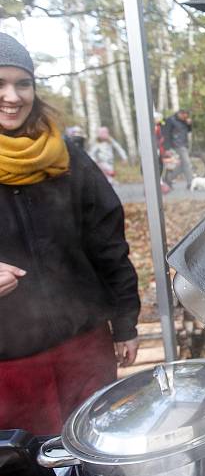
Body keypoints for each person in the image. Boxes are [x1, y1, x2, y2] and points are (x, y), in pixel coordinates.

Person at [0, 33, 140, 435]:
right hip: (10, 363)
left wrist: (126, 322)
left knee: (96, 448)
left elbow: (107, 243)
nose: (13, 96)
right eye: (0, 83)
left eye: (22, 83)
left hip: (83, 345)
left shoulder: (67, 158)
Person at [161, 109, 193, 189]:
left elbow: (188, 131)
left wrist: (189, 124)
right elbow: (166, 134)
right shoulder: (170, 120)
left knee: (183, 165)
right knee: (187, 163)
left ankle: (168, 179)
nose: (185, 118)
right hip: (177, 145)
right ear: (180, 114)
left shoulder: (183, 121)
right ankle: (191, 183)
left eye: (187, 116)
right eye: (184, 116)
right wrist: (167, 148)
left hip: (184, 144)